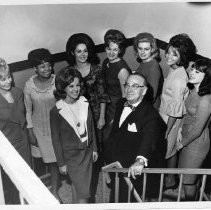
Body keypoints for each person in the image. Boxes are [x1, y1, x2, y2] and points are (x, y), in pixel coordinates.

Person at [105, 73, 166, 202]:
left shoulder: (150, 115)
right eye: (127, 85)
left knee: (126, 200)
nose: (129, 89)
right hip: (115, 162)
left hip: (130, 168)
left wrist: (140, 160)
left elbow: (149, 139)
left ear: (144, 91)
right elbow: (115, 131)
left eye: (135, 86)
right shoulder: (121, 103)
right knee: (114, 196)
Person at [50, 66, 98, 203]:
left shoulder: (84, 103)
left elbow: (91, 127)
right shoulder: (56, 111)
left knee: (80, 188)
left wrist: (94, 148)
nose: (75, 89)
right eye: (71, 86)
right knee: (84, 193)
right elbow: (55, 139)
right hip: (71, 157)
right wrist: (61, 163)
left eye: (77, 85)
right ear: (62, 87)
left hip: (87, 153)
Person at [159, 33, 197, 189]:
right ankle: (171, 180)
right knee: (172, 150)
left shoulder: (179, 78)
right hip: (167, 117)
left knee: (168, 150)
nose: (168, 56)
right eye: (168, 52)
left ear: (182, 56)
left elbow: (175, 111)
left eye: (174, 54)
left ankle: (169, 180)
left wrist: (166, 131)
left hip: (170, 121)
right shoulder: (174, 70)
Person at [23, 48, 61, 202]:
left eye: (49, 65)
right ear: (35, 69)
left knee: (54, 162)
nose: (47, 69)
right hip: (38, 128)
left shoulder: (57, 81)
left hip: (55, 127)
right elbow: (27, 109)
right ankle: (36, 193)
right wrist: (30, 130)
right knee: (39, 161)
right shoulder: (29, 85)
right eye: (42, 66)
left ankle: (55, 192)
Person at [66, 33, 110, 151]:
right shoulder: (68, 72)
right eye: (79, 51)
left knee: (97, 148)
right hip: (77, 116)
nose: (83, 54)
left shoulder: (97, 70)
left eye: (85, 51)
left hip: (95, 115)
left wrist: (102, 117)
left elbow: (103, 95)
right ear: (72, 53)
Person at [177, 59, 211, 200]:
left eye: (197, 71)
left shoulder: (206, 99)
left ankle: (190, 204)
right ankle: (195, 201)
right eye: (192, 69)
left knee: (188, 180)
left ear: (207, 76)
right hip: (186, 136)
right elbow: (186, 115)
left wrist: (182, 143)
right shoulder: (193, 91)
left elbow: (198, 129)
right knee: (186, 176)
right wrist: (179, 129)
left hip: (196, 141)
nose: (191, 73)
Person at [0, 58, 31, 204]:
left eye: (8, 77)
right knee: (11, 185)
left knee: (27, 182)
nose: (7, 81)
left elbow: (22, 118)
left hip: (23, 142)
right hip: (7, 146)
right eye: (2, 79)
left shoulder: (18, 92)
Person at [102, 29, 131, 144]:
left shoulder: (122, 70)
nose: (111, 53)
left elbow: (126, 98)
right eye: (109, 49)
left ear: (120, 50)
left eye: (115, 49)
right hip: (106, 105)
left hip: (116, 108)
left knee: (110, 139)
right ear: (105, 48)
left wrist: (117, 117)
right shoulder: (106, 62)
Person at [133, 32, 164, 110]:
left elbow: (151, 96)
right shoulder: (144, 61)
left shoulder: (153, 67)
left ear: (152, 49)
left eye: (146, 49)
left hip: (147, 108)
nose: (142, 52)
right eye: (140, 48)